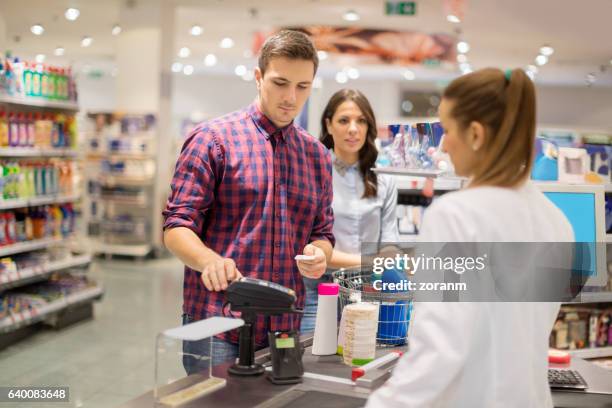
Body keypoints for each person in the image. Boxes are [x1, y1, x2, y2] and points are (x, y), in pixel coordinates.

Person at [366, 68, 574, 407]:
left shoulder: (456, 216)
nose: (443, 144)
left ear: (476, 134)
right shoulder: (557, 223)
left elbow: (437, 352)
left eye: (447, 130)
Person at [162, 30, 335, 373]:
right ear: (258, 77)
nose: (290, 97)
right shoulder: (212, 140)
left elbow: (323, 232)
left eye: (302, 86)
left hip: (285, 325)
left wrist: (319, 254)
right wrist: (209, 260)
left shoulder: (316, 155)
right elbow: (176, 227)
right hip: (219, 319)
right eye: (280, 83)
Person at [300, 89, 399, 333]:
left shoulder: (383, 179)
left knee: (364, 361)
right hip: (319, 288)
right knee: (315, 359)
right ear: (329, 125)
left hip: (368, 287)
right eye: (344, 120)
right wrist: (371, 261)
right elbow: (309, 248)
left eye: (361, 120)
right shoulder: (311, 174)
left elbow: (389, 244)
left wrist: (386, 260)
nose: (353, 129)